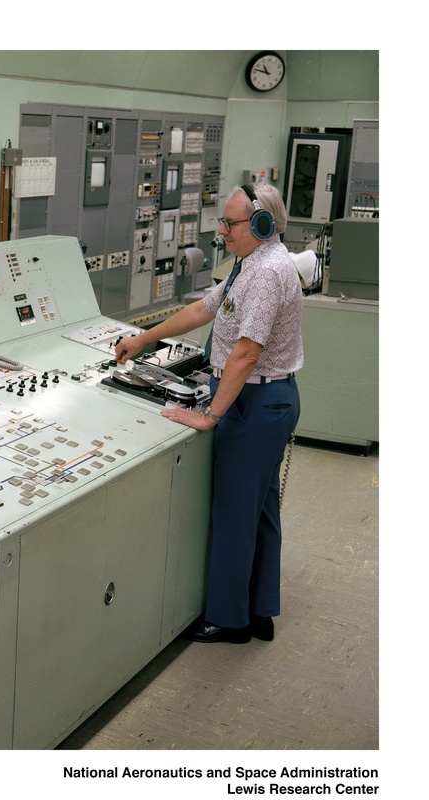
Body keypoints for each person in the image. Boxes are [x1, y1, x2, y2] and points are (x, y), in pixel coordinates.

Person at [115, 183, 303, 644]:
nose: (221, 230)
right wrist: (143, 338)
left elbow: (244, 353)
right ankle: (259, 610)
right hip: (266, 401)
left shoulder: (265, 273)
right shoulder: (251, 264)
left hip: (253, 403)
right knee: (260, 512)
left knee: (235, 515)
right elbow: (203, 309)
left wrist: (211, 416)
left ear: (261, 224)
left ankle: (229, 619)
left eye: (230, 222)